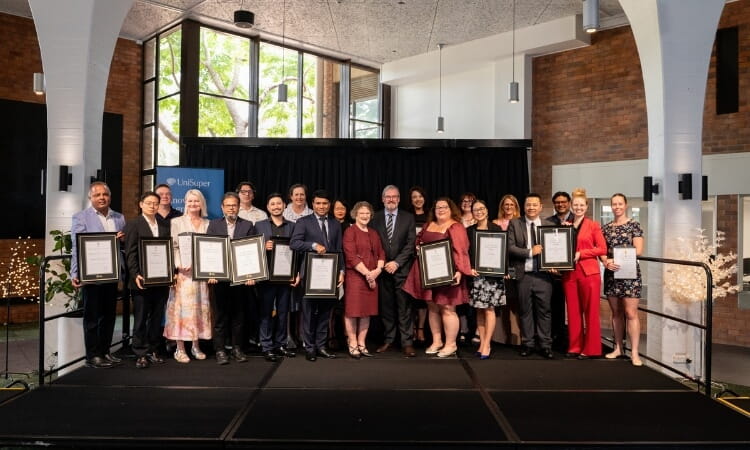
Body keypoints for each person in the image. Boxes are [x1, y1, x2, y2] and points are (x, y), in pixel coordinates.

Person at [403, 198, 472, 358]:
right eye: (438, 207)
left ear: (451, 209)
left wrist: (460, 271)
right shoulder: (429, 225)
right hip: (428, 273)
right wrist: (418, 247)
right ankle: (437, 341)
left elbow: (461, 251)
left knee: (448, 308)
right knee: (432, 307)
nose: (440, 209)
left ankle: (451, 344)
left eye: (444, 207)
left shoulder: (456, 226)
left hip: (448, 274)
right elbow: (418, 240)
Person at [71, 181, 126, 369]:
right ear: (90, 198)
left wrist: (124, 239)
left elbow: (123, 245)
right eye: (97, 195)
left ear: (110, 197)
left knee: (109, 316)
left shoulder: (119, 218)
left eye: (105, 194)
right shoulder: (81, 217)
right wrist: (75, 272)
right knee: (92, 317)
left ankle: (105, 351)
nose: (102, 197)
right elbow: (76, 247)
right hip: (91, 275)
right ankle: (92, 355)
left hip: (111, 274)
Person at [290, 189, 345, 361]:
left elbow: (339, 250)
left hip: (329, 275)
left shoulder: (336, 224)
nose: (321, 206)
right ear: (312, 204)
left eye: (325, 203)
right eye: (318, 203)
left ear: (329, 205)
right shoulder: (303, 222)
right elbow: (294, 243)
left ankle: (321, 346)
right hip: (310, 275)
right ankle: (309, 347)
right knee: (308, 313)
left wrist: (342, 271)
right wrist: (313, 245)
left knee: (325, 312)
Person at [206, 192, 256, 365]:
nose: (231, 208)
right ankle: (220, 350)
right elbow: (208, 250)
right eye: (228, 205)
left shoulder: (248, 225)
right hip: (219, 279)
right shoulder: (213, 225)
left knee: (239, 316)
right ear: (222, 207)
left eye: (234, 205)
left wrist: (251, 275)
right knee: (220, 316)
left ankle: (237, 348)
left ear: (239, 206)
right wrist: (210, 274)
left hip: (240, 279)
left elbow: (252, 251)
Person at [164, 189, 212, 363]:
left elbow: (210, 248)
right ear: (185, 203)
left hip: (200, 276)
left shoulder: (208, 224)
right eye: (190, 201)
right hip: (183, 275)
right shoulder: (176, 222)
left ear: (202, 204)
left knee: (197, 311)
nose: (193, 204)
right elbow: (173, 246)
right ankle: (180, 348)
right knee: (182, 312)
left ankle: (195, 346)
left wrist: (201, 265)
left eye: (196, 201)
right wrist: (179, 264)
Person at [124, 191, 171, 369]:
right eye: (149, 203)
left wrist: (170, 272)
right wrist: (136, 274)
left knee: (157, 317)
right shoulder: (134, 224)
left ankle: (153, 350)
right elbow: (130, 253)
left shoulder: (164, 224)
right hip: (141, 280)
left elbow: (167, 252)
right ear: (141, 204)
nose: (152, 206)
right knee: (141, 317)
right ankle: (140, 352)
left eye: (155, 203)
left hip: (160, 280)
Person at [370, 185, 417, 357]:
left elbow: (410, 244)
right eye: (387, 197)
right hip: (381, 271)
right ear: (382, 199)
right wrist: (382, 264)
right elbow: (372, 244)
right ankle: (389, 339)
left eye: (394, 196)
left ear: (398, 199)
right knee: (387, 307)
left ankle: (407, 342)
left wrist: (396, 263)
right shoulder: (374, 217)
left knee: (404, 308)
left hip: (402, 269)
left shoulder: (408, 218)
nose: (391, 199)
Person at [507, 193, 555, 359]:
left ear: (541, 207)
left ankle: (545, 345)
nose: (531, 207)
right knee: (525, 311)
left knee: (545, 311)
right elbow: (510, 247)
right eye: (528, 204)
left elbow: (555, 250)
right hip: (524, 275)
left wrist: (555, 265)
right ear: (524, 206)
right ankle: (528, 343)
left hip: (544, 276)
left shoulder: (549, 225)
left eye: (535, 204)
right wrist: (529, 252)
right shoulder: (515, 223)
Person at [561, 188, 606, 359]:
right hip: (570, 274)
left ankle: (592, 348)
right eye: (575, 205)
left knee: (591, 311)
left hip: (589, 274)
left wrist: (581, 254)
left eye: (581, 205)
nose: (578, 207)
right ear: (571, 206)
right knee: (572, 311)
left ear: (586, 206)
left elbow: (602, 249)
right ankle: (575, 346)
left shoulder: (593, 225)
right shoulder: (566, 225)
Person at [601, 193, 644, 366]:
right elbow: (602, 251)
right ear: (611, 206)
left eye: (620, 204)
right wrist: (605, 260)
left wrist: (616, 258)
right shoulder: (606, 228)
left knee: (631, 313)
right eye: (614, 204)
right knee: (616, 313)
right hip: (612, 273)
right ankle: (618, 348)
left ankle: (634, 353)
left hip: (630, 274)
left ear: (625, 205)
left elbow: (639, 250)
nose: (617, 207)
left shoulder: (634, 225)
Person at [255, 193, 299, 362]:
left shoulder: (293, 226)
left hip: (286, 277)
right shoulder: (259, 226)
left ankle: (280, 344)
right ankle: (266, 346)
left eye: (278, 204)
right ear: (268, 207)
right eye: (272, 204)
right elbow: (251, 249)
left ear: (284, 206)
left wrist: (297, 273)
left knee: (283, 312)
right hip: (266, 277)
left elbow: (298, 252)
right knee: (266, 312)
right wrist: (262, 246)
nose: (276, 207)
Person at [342, 201, 385, 359]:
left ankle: (362, 343)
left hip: (373, 277)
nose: (365, 216)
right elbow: (351, 256)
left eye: (367, 213)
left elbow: (381, 254)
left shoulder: (374, 233)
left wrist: (377, 271)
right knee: (352, 312)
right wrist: (368, 274)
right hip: (356, 277)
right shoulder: (350, 231)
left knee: (367, 312)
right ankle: (352, 343)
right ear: (355, 214)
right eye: (362, 213)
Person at [467, 199, 505, 359]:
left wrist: (503, 267)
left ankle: (487, 344)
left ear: (487, 210)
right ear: (472, 213)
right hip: (476, 277)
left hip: (493, 277)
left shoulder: (496, 228)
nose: (479, 211)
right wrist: (469, 268)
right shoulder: (469, 231)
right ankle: (482, 343)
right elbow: (466, 253)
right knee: (479, 310)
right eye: (475, 210)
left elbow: (503, 252)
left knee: (489, 309)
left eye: (481, 208)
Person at [492, 194, 522, 346]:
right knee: (501, 304)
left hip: (517, 267)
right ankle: (502, 337)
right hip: (499, 267)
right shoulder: (495, 224)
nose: (509, 207)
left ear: (516, 207)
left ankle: (516, 338)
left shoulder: (521, 223)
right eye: (506, 205)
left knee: (515, 303)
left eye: (511, 205)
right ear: (502, 207)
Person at [546, 191, 574, 352]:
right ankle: (557, 339)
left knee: (572, 308)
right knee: (555, 307)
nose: (560, 204)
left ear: (569, 202)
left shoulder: (575, 220)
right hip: (552, 273)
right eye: (557, 202)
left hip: (571, 272)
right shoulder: (548, 221)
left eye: (563, 202)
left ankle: (572, 340)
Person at [408, 186, 428, 345]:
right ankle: (412, 328)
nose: (418, 199)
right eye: (414, 197)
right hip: (409, 261)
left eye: (420, 196)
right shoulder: (407, 217)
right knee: (411, 298)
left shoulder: (430, 217)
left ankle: (421, 328)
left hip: (427, 262)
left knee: (424, 298)